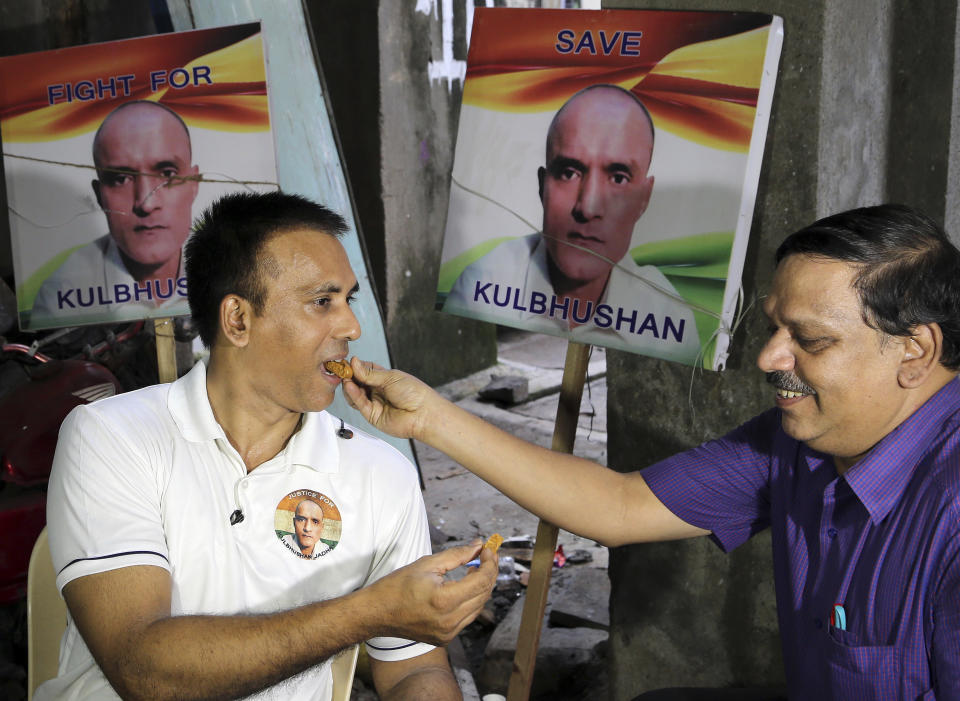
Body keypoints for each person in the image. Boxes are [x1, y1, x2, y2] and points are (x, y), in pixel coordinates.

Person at [347, 204, 960, 699]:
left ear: (915, 352)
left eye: (811, 340)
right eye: (775, 326)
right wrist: (429, 417)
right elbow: (619, 507)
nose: (769, 358)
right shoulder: (800, 441)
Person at [38, 191, 497, 701]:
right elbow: (146, 672)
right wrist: (370, 610)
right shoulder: (109, 437)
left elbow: (414, 671)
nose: (351, 326)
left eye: (348, 299)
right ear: (238, 320)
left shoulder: (379, 472)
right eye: (322, 302)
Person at [444, 84, 701, 364]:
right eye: (569, 173)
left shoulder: (670, 319)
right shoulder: (481, 284)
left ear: (644, 199)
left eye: (618, 178)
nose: (587, 208)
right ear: (543, 186)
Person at [31, 101, 198, 326]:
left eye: (167, 174)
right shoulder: (62, 293)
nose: (146, 203)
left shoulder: (231, 273)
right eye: (121, 179)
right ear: (100, 196)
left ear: (194, 184)